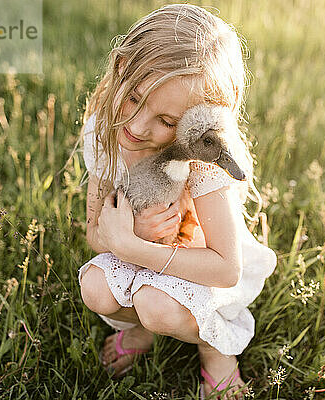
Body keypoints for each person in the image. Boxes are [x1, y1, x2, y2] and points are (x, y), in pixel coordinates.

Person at [77, 4, 277, 399]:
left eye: (167, 122)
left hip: (199, 269)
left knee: (157, 305)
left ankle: (215, 349)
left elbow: (226, 269)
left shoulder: (201, 165)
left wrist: (131, 246)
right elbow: (94, 232)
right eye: (133, 98)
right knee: (95, 288)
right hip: (141, 252)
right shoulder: (106, 132)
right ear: (120, 68)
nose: (135, 127)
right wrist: (127, 237)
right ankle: (140, 330)